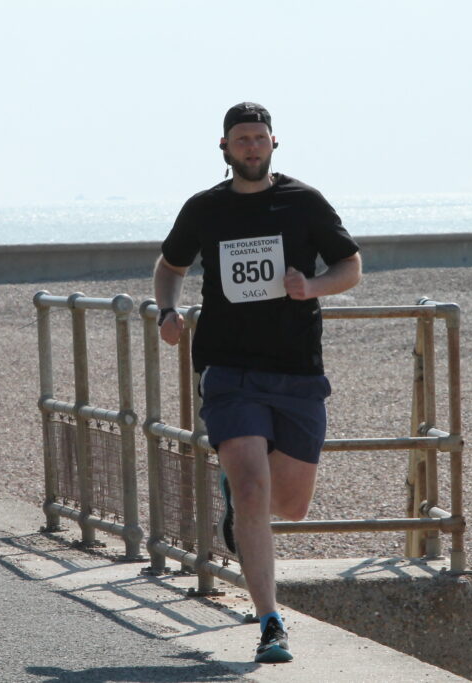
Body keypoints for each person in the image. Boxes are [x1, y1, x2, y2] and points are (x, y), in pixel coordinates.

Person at [152, 102, 362, 663]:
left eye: (259, 138)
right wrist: (166, 313)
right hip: (228, 371)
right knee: (251, 488)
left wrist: (310, 287)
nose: (250, 146)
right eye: (240, 139)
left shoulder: (304, 202)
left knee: (289, 506)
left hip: (296, 370)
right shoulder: (204, 209)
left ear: (274, 144)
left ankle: (238, 509)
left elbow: (351, 266)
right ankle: (270, 621)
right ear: (223, 147)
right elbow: (169, 267)